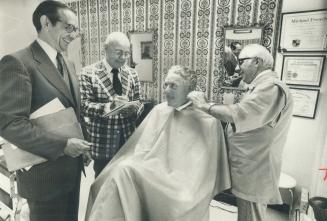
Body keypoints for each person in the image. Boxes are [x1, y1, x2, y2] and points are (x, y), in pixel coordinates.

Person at [84, 65, 231, 221]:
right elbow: (142, 148)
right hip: (154, 170)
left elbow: (203, 171)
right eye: (166, 85)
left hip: (185, 182)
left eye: (173, 86)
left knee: (181, 200)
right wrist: (140, 164)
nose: (166, 90)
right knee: (114, 175)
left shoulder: (207, 120)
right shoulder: (160, 110)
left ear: (190, 90)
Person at [0, 1, 90, 221]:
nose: (74, 35)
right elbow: (11, 125)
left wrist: (82, 142)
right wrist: (63, 145)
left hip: (71, 172)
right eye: (69, 27)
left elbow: (72, 111)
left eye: (76, 30)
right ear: (46, 23)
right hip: (44, 181)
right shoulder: (18, 63)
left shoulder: (68, 63)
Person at [188, 44, 294, 221]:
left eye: (242, 62)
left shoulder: (271, 88)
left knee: (250, 216)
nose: (238, 67)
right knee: (247, 214)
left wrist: (204, 106)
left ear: (257, 62)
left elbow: (239, 114)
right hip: (250, 165)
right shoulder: (260, 87)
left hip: (255, 168)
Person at [80, 32, 144, 177]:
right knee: (103, 189)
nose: (123, 58)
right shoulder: (88, 73)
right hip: (103, 145)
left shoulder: (132, 74)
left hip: (128, 143)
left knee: (126, 187)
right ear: (106, 49)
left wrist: (133, 109)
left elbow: (139, 101)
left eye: (127, 54)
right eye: (119, 53)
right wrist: (110, 107)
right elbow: (84, 106)